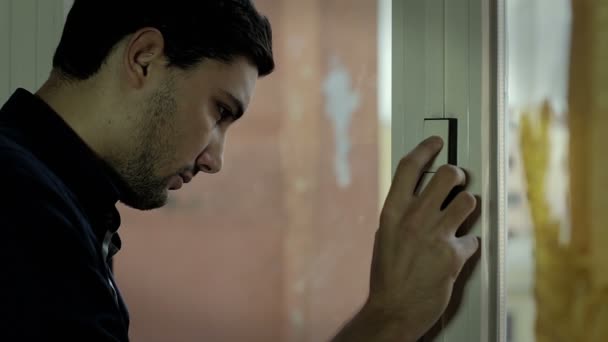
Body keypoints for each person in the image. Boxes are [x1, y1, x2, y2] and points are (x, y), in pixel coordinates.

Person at [0, 1, 480, 341]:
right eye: (220, 111)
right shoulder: (22, 210)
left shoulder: (53, 201)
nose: (215, 159)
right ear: (144, 57)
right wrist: (391, 317)